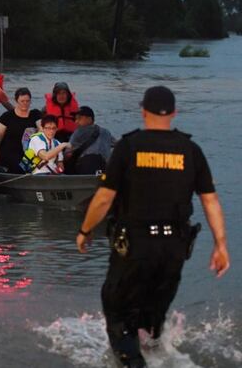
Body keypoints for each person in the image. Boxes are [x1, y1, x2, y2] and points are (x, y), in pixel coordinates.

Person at [75, 86, 230, 368]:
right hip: (174, 250)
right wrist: (220, 245)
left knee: (117, 310)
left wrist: (85, 231)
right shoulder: (190, 150)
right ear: (173, 113)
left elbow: (104, 198)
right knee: (152, 315)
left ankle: (134, 361)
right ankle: (159, 353)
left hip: (135, 247)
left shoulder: (128, 146)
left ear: (142, 110)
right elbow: (211, 201)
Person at [0, 87, 42, 174]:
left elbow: (42, 128)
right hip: (10, 152)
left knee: (38, 165)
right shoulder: (7, 117)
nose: (25, 104)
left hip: (28, 152)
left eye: (27, 101)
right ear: (16, 101)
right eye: (22, 101)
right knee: (20, 168)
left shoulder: (35, 114)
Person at [64, 106, 114, 175]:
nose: (76, 122)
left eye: (79, 118)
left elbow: (67, 154)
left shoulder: (79, 132)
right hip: (105, 167)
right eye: (75, 119)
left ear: (89, 119)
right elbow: (118, 145)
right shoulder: (106, 132)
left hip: (87, 166)